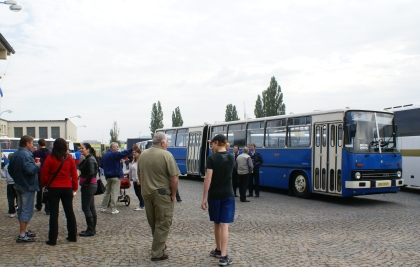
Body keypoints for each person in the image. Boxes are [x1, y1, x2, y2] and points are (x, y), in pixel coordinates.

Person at [138, 132, 180, 261]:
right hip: (161, 194)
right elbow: (174, 177)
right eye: (167, 142)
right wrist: (173, 194)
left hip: (147, 193)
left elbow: (139, 175)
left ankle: (160, 244)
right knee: (163, 222)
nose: (167, 144)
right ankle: (157, 253)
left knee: (154, 222)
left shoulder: (143, 154)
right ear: (162, 143)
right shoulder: (166, 155)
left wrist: (144, 187)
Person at [201, 134, 235, 266]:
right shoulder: (232, 157)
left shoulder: (211, 158)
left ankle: (218, 248)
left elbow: (208, 178)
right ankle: (223, 255)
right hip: (228, 193)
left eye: (212, 144)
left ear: (217, 143)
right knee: (224, 225)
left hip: (214, 194)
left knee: (216, 223)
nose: (211, 146)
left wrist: (204, 198)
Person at [41, 138, 78, 246]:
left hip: (53, 188)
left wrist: (44, 184)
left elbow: (44, 173)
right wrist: (74, 187)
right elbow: (74, 175)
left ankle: (52, 239)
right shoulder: (69, 159)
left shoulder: (50, 158)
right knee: (69, 212)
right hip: (66, 187)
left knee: (54, 214)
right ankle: (72, 236)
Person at [8, 135, 41, 243]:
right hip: (27, 186)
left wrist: (17, 179)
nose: (33, 145)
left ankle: (24, 230)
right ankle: (22, 234)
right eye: (32, 143)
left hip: (19, 185)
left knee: (22, 209)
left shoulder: (15, 154)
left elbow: (10, 169)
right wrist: (37, 165)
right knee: (27, 210)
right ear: (27, 143)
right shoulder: (26, 155)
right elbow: (30, 170)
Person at [99, 142, 136, 214]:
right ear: (113, 147)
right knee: (114, 192)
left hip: (108, 176)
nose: (118, 148)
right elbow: (123, 153)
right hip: (115, 176)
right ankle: (113, 209)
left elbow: (102, 165)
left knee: (107, 192)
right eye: (117, 147)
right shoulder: (114, 154)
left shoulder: (104, 155)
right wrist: (131, 149)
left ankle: (103, 207)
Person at [78, 143, 98, 237]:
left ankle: (90, 229)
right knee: (91, 207)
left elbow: (91, 173)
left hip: (89, 186)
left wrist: (85, 183)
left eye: (82, 148)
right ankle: (92, 228)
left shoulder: (90, 159)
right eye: (80, 148)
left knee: (86, 207)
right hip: (91, 185)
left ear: (88, 149)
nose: (81, 150)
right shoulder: (89, 158)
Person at [33, 138, 52, 215]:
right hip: (47, 171)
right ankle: (47, 208)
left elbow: (33, 160)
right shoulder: (49, 152)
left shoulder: (36, 152)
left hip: (39, 171)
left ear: (39, 144)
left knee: (39, 190)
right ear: (45, 144)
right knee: (47, 190)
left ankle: (39, 205)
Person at [2, 153, 17, 218]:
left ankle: (12, 212)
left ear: (8, 159)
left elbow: (4, 176)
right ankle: (19, 210)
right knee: (18, 198)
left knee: (10, 198)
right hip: (17, 183)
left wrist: (1, 172)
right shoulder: (17, 165)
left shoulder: (6, 166)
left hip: (10, 184)